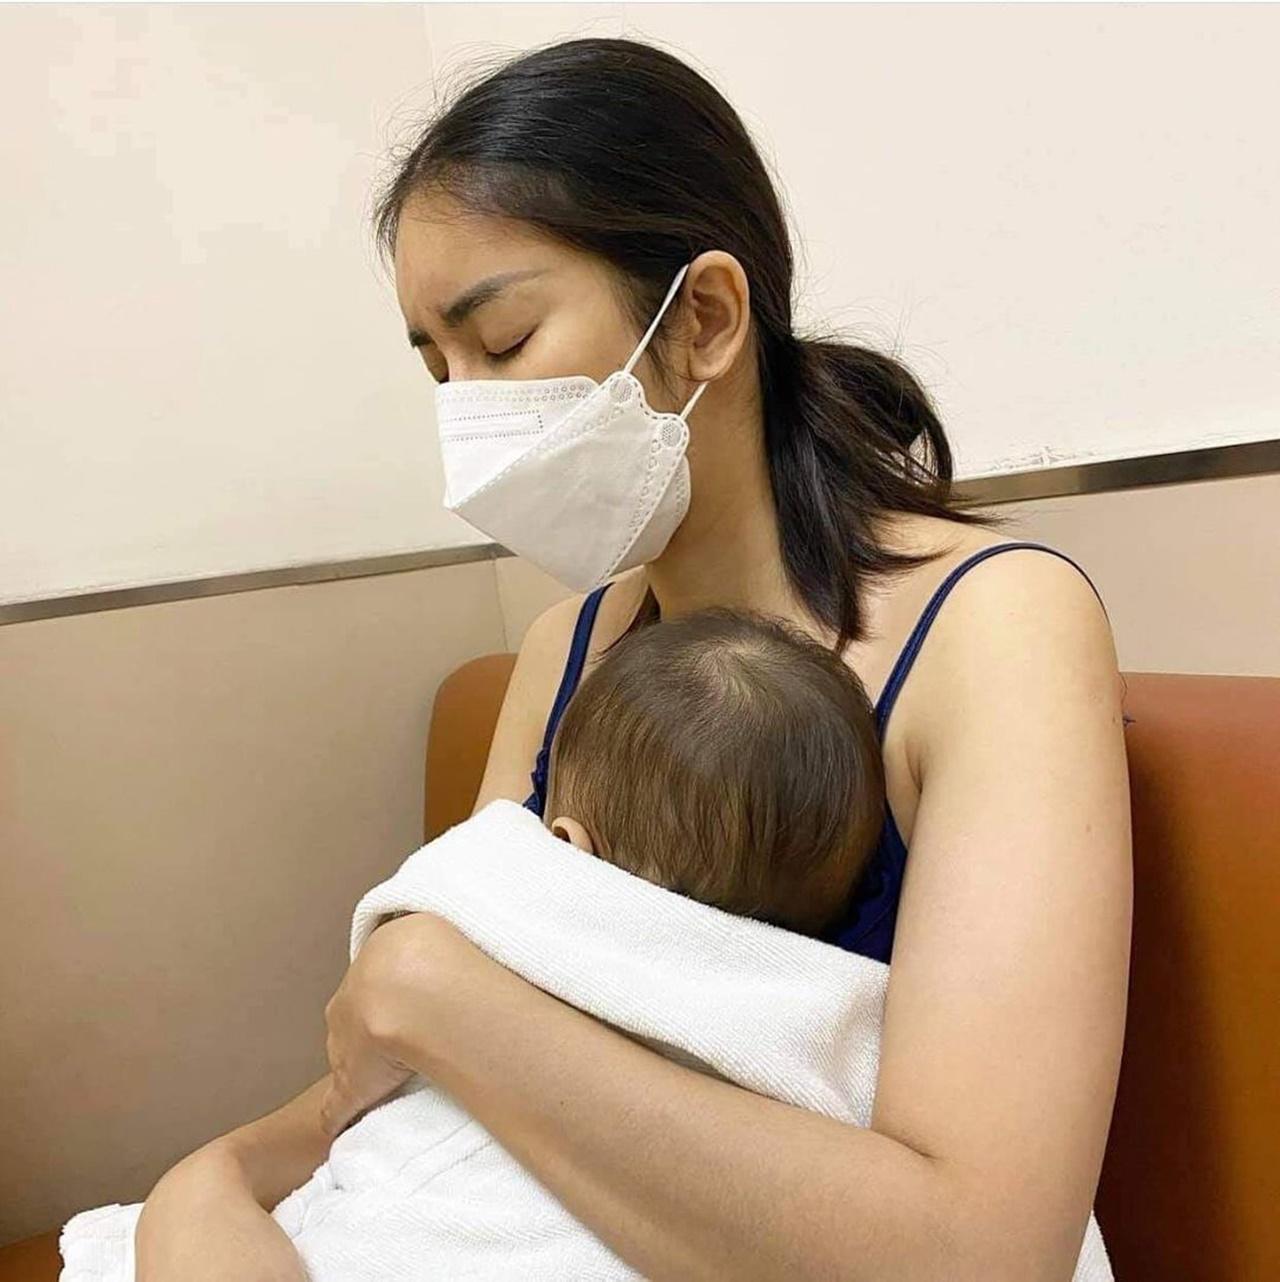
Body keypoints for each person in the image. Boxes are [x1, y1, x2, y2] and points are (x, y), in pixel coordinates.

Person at [134, 35, 1132, 1282]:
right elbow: (401, 1051)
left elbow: (982, 1252)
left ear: (702, 318)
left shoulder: (994, 624)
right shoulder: (562, 651)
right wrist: (214, 1179)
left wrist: (436, 992)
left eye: (501, 343)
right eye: (437, 368)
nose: (466, 412)